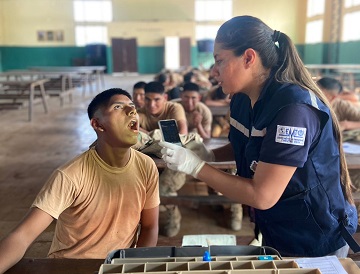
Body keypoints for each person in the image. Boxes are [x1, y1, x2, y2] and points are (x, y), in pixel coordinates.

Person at [159, 15, 358, 257]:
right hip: (277, 226)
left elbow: (262, 195)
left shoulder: (293, 111)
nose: (213, 72)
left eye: (219, 61)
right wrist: (209, 154)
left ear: (249, 58)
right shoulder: (242, 98)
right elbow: (247, 145)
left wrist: (196, 167)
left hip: (313, 234)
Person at [0, 88, 160, 273]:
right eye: (118, 107)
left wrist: (134, 267)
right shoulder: (71, 175)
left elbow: (149, 227)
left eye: (132, 107)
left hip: (118, 267)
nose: (132, 111)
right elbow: (23, 236)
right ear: (98, 125)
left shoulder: (146, 166)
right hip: (70, 267)